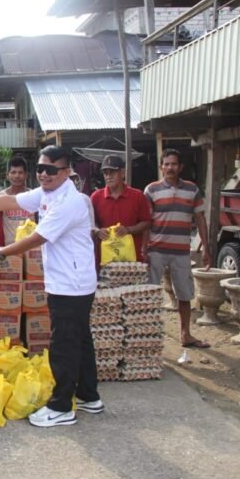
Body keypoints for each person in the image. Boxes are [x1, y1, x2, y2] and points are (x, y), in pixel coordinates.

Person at [0, 145, 101, 427]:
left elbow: (38, 238)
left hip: (70, 284)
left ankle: (61, 408)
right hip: (68, 280)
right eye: (40, 168)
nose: (43, 175)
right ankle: (88, 396)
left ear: (66, 172)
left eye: (50, 170)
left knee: (63, 345)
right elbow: (11, 202)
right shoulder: (47, 192)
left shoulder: (69, 202)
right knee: (80, 339)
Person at [144, 148, 211, 349]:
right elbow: (146, 221)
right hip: (156, 250)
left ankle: (186, 335)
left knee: (185, 295)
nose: (170, 167)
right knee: (152, 294)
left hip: (181, 251)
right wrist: (143, 250)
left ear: (180, 167)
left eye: (174, 164)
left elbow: (200, 219)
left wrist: (206, 248)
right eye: (167, 164)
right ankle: (149, 336)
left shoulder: (192, 190)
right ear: (161, 167)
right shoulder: (151, 190)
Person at [90, 155, 151, 262]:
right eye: (105, 173)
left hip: (132, 259)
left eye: (112, 172)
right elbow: (89, 223)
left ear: (122, 173)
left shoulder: (137, 195)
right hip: (105, 258)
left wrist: (128, 230)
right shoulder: (96, 197)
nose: (108, 176)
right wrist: (98, 231)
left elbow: (146, 222)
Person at [0, 156, 34, 245]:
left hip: (30, 246)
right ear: (7, 175)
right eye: (13, 172)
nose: (17, 176)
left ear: (26, 175)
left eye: (20, 172)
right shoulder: (1, 197)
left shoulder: (33, 196)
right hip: (9, 247)